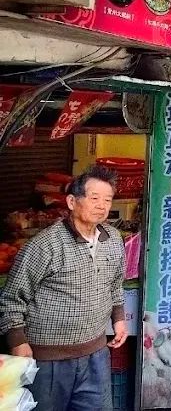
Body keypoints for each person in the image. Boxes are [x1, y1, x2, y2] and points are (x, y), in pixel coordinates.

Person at [0, 165, 126, 411]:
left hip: (96, 354)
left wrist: (118, 318)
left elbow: (115, 282)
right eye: (94, 198)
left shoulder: (112, 239)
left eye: (108, 199)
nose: (102, 205)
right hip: (47, 358)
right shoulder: (44, 245)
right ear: (71, 201)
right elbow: (12, 298)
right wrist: (17, 341)